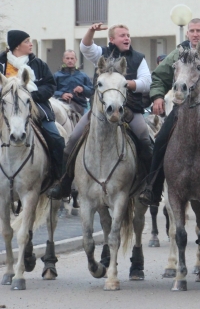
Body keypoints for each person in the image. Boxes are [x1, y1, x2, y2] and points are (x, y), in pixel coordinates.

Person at [139, 18, 200, 207]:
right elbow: (159, 76)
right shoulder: (177, 54)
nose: (195, 34)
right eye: (191, 31)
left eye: (198, 30)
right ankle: (153, 188)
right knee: (160, 141)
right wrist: (158, 96)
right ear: (187, 34)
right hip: (182, 109)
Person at [48, 23, 153, 199]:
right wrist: (91, 31)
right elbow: (85, 48)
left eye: (128, 35)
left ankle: (149, 186)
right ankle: (65, 184)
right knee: (72, 140)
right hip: (100, 111)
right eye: (122, 35)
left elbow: (147, 82)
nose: (127, 38)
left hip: (130, 109)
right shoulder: (101, 54)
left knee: (144, 138)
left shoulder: (138, 58)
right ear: (112, 39)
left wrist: (125, 84)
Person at [0, 30, 65, 184]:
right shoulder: (1, 63)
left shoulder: (38, 64)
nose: (31, 44)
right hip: (4, 107)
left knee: (56, 138)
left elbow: (50, 85)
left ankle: (59, 179)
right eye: (27, 41)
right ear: (17, 45)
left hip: (35, 106)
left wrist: (30, 97)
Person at [53, 50, 93, 116]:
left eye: (72, 58)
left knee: (89, 122)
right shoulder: (56, 75)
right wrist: (61, 94)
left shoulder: (83, 76)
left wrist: (83, 89)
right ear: (63, 59)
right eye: (67, 58)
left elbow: (92, 92)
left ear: (76, 60)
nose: (70, 60)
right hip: (61, 106)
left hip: (81, 106)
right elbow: (50, 91)